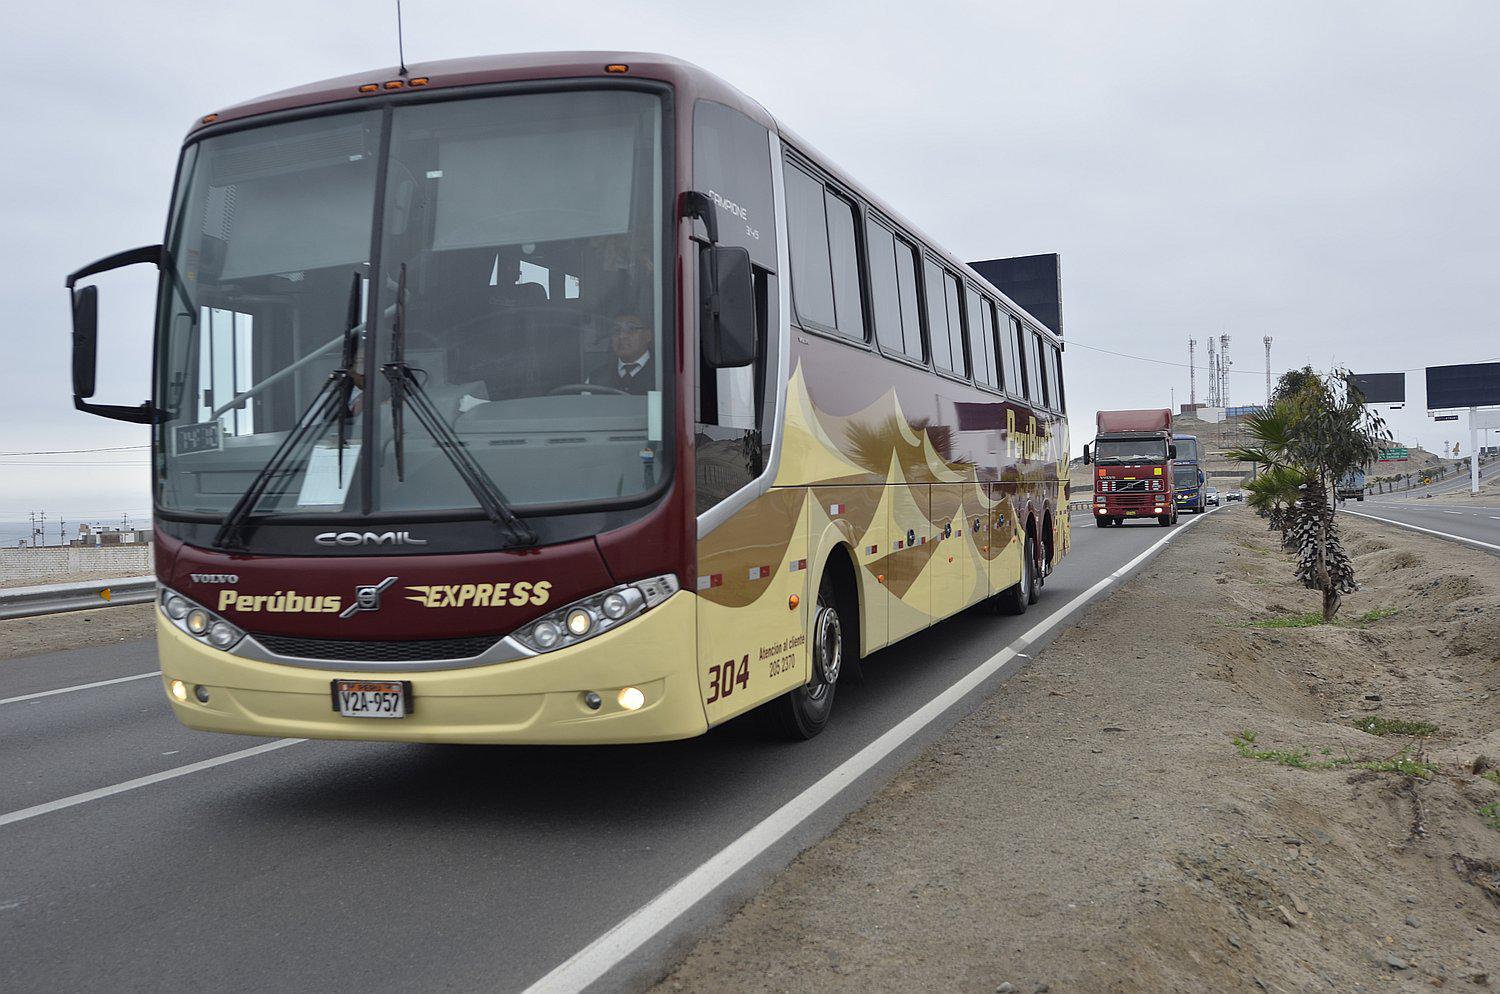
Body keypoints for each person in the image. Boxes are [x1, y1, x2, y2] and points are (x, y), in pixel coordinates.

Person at [586, 314, 655, 394]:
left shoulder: (661, 373)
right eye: (616, 330)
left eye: (631, 329)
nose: (622, 336)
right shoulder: (595, 378)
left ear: (648, 335)